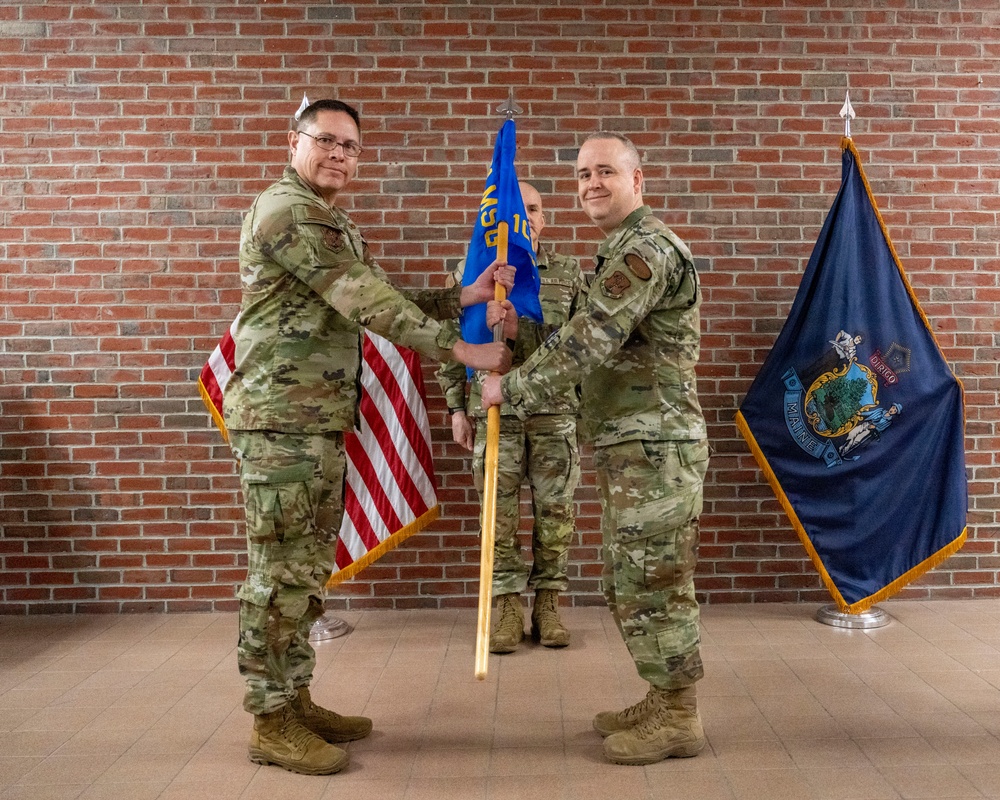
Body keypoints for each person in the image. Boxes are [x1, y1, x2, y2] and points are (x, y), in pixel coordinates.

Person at [223, 98, 513, 777]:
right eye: (325, 140)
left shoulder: (330, 221)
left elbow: (380, 291)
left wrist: (464, 298)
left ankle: (294, 699)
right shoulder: (289, 212)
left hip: (313, 421)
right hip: (281, 423)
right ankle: (270, 720)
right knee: (278, 573)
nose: (339, 154)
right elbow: (366, 302)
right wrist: (462, 350)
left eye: (350, 147)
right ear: (293, 142)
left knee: (304, 568)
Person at [481, 132, 710, 766]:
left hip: (655, 448)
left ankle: (679, 715)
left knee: (655, 582)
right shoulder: (618, 250)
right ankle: (661, 696)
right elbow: (579, 337)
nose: (592, 184)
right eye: (583, 174)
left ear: (638, 180)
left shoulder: (644, 249)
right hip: (631, 447)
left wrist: (508, 388)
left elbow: (589, 340)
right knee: (629, 578)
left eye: (605, 171)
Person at [437, 181, 587, 654]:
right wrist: (456, 409)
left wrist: (524, 329)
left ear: (544, 220)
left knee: (555, 513)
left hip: (554, 414)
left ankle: (548, 605)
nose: (524, 219)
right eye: (515, 211)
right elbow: (450, 345)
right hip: (493, 412)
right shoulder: (472, 271)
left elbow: (582, 345)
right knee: (497, 515)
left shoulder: (568, 272)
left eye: (533, 210)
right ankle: (505, 605)